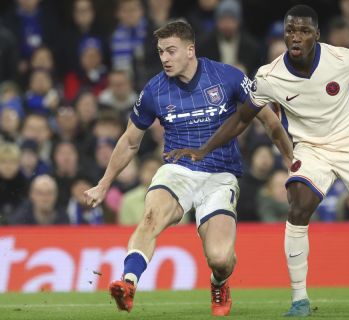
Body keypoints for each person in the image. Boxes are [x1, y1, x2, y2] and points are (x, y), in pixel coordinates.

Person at [166, 5, 349, 317]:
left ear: (316, 35)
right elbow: (242, 119)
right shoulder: (270, 76)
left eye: (304, 31)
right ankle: (299, 300)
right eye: (291, 31)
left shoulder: (340, 59)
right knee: (298, 204)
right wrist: (204, 149)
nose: (296, 37)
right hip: (311, 149)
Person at [83, 21, 291, 316]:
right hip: (177, 171)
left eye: (171, 51)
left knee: (220, 258)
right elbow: (130, 141)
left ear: (190, 50)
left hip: (220, 176)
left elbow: (269, 122)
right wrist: (103, 184)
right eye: (160, 52)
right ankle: (128, 283)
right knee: (151, 217)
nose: (165, 58)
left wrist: (290, 161)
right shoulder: (154, 89)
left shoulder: (227, 77)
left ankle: (219, 281)